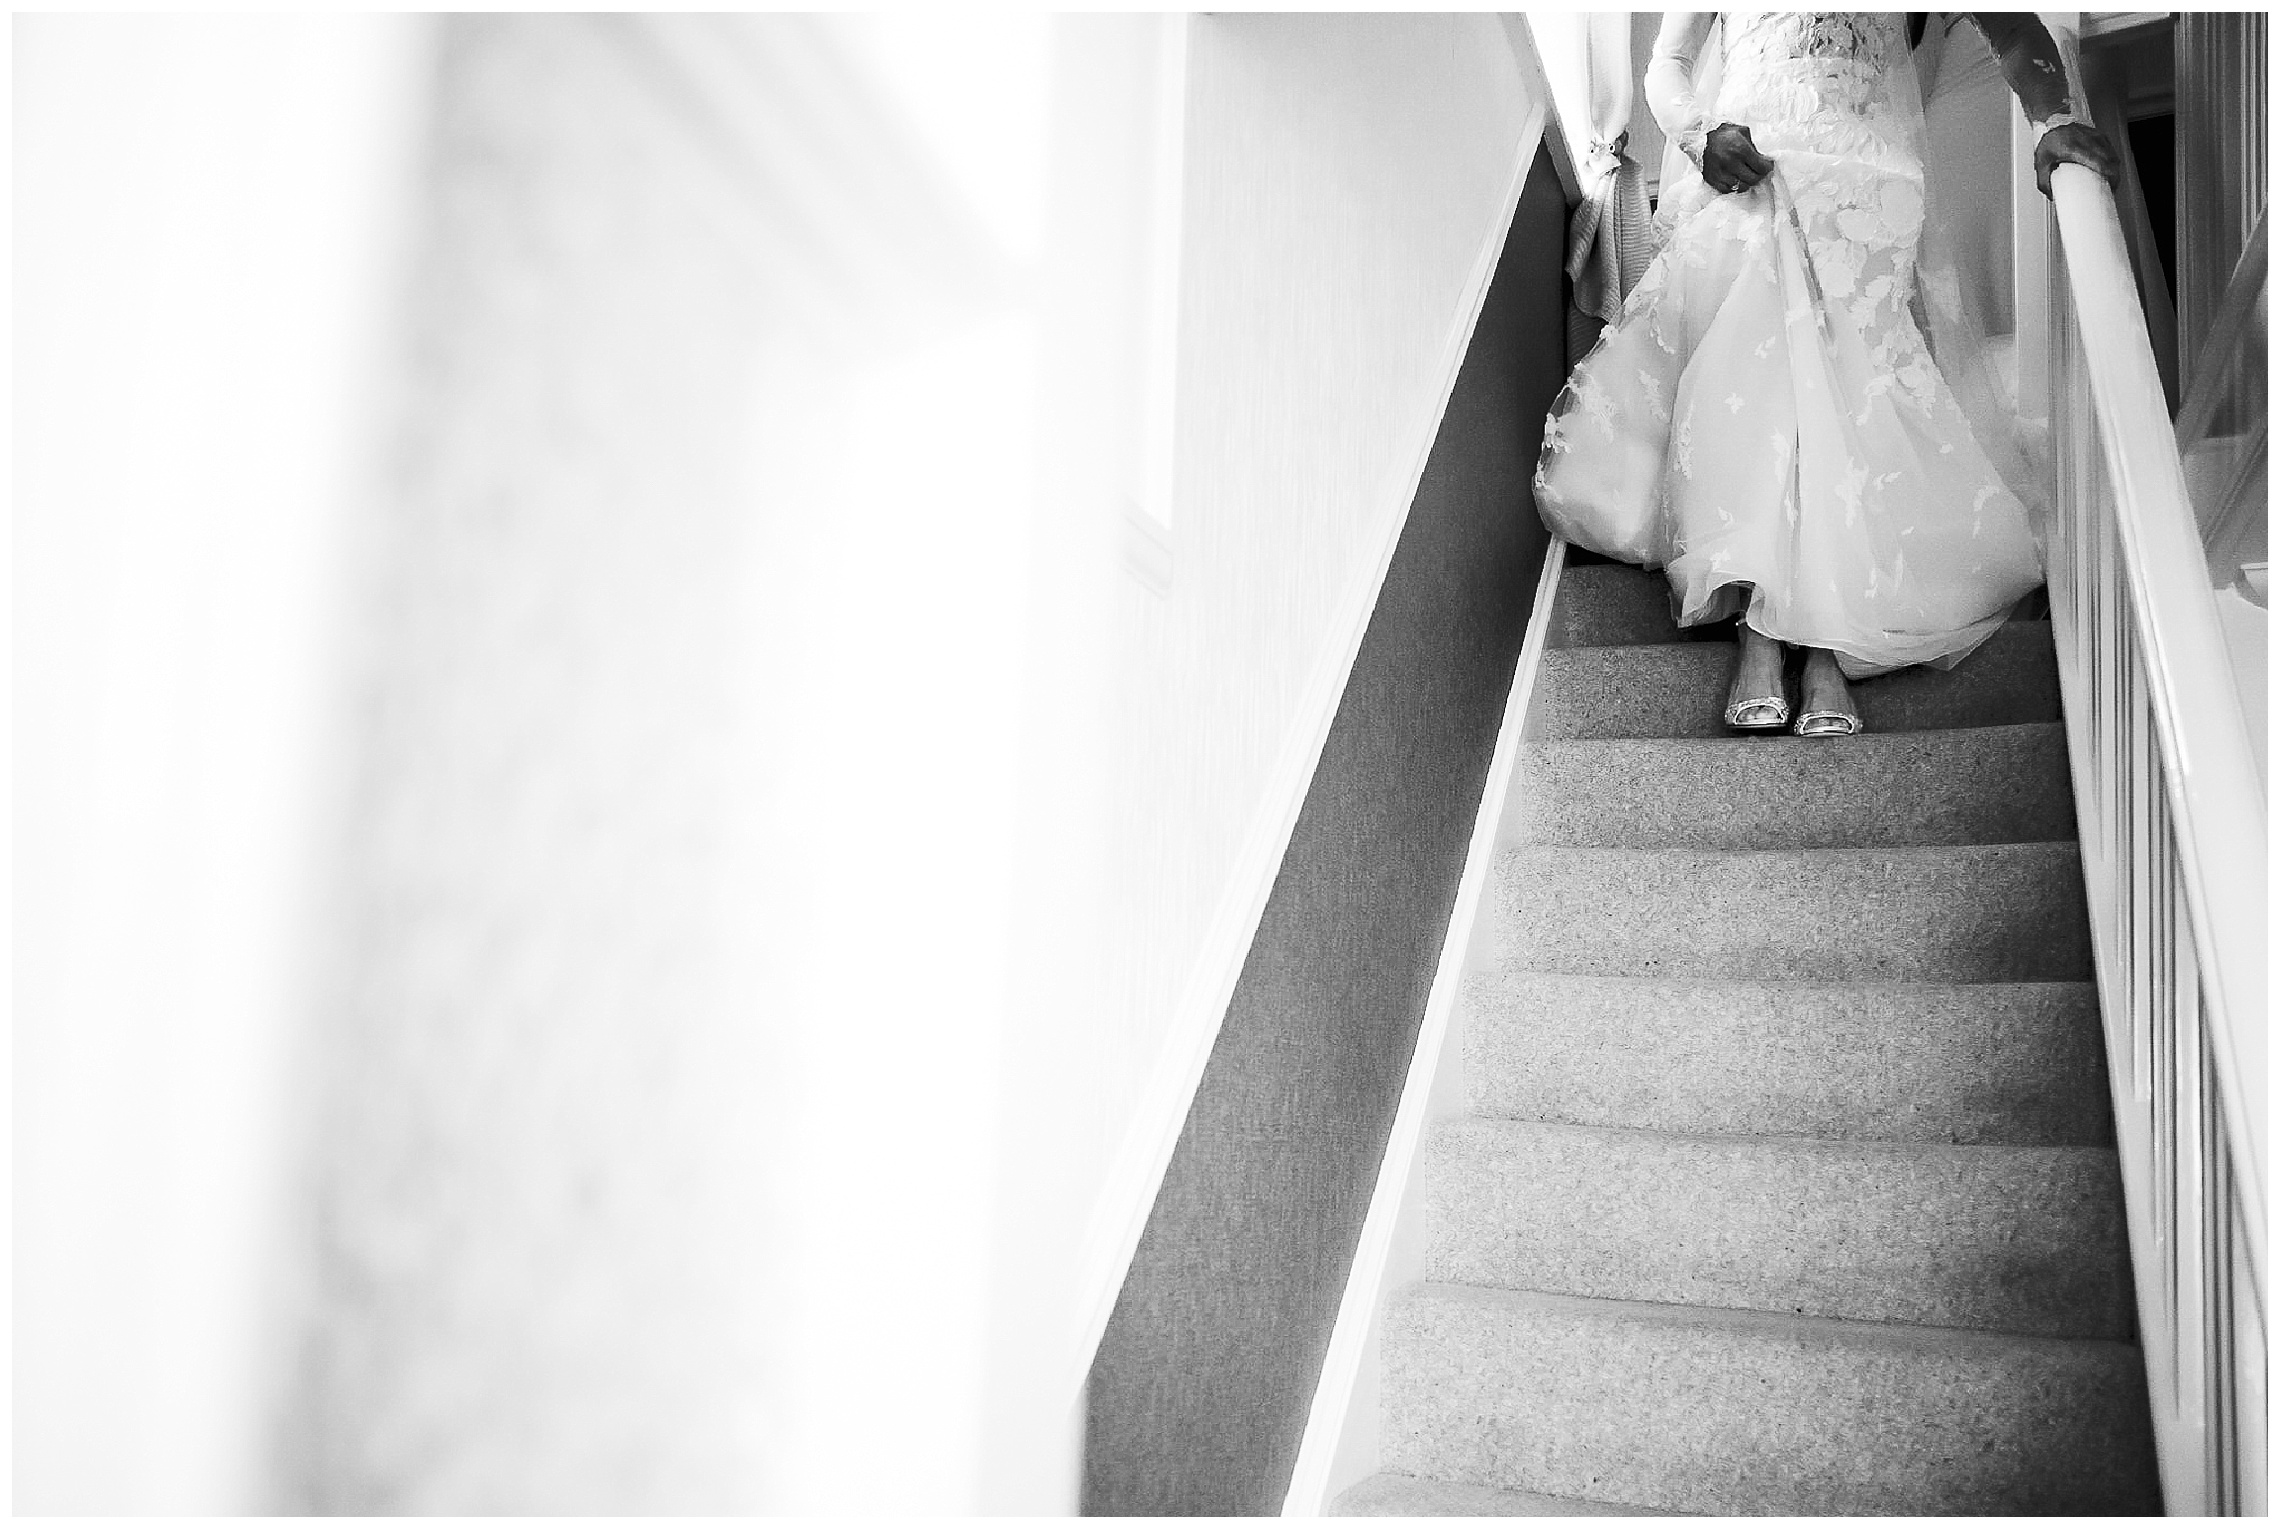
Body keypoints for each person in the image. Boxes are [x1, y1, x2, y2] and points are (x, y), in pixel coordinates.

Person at [1534, 13, 2119, 736]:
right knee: (1761, 366)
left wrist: (2052, 121)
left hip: (1865, 183)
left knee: (1838, 393)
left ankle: (1814, 645)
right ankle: (1772, 633)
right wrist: (1698, 136)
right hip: (1749, 168)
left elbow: (2016, 32)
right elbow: (1667, 64)